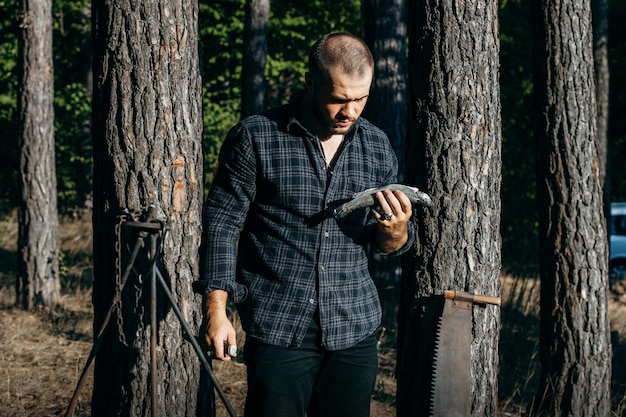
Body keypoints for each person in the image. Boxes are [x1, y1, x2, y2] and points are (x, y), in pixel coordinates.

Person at [194, 32, 415, 417]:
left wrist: (395, 231)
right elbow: (222, 225)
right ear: (310, 82)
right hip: (280, 325)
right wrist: (217, 311)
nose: (350, 111)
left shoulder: (378, 147)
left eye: (361, 99)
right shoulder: (256, 137)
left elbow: (385, 245)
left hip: (353, 327)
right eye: (339, 99)